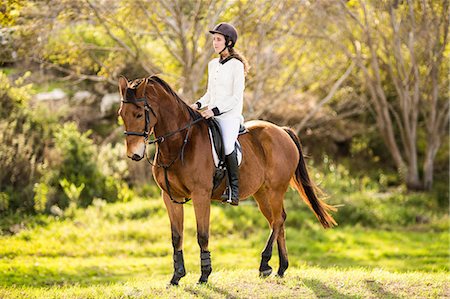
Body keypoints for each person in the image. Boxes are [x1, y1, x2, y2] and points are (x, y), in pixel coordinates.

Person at [190, 22, 250, 206]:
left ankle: (234, 189)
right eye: (214, 39)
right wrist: (197, 104)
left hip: (229, 117)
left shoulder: (236, 66)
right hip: (211, 114)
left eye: (218, 39)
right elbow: (210, 93)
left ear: (228, 42)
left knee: (227, 145)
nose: (214, 43)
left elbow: (235, 97)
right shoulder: (212, 64)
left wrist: (214, 110)